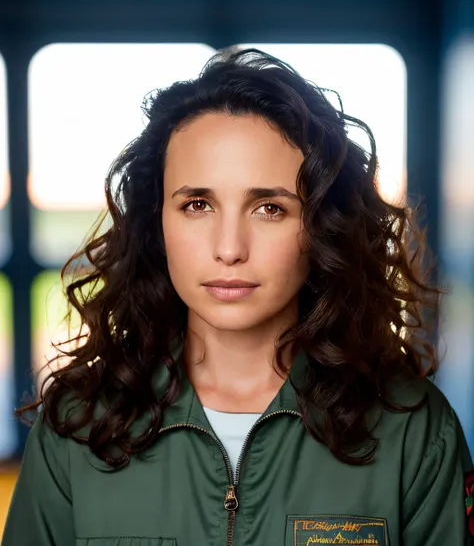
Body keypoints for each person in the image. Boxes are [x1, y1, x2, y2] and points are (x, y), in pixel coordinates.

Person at [2, 47, 473, 546]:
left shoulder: (414, 430)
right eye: (197, 204)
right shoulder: (78, 427)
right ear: (156, 221)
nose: (229, 249)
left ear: (322, 228)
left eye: (269, 208)